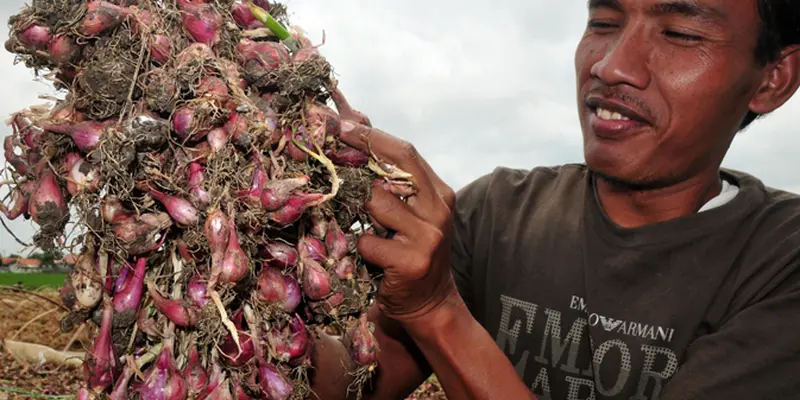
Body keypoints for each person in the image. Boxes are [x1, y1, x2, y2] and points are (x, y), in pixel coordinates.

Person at [308, 0, 800, 399]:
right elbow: (353, 383)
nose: (612, 66)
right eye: (604, 22)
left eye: (680, 33)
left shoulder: (780, 262)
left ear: (773, 78)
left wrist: (437, 310)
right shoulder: (495, 213)